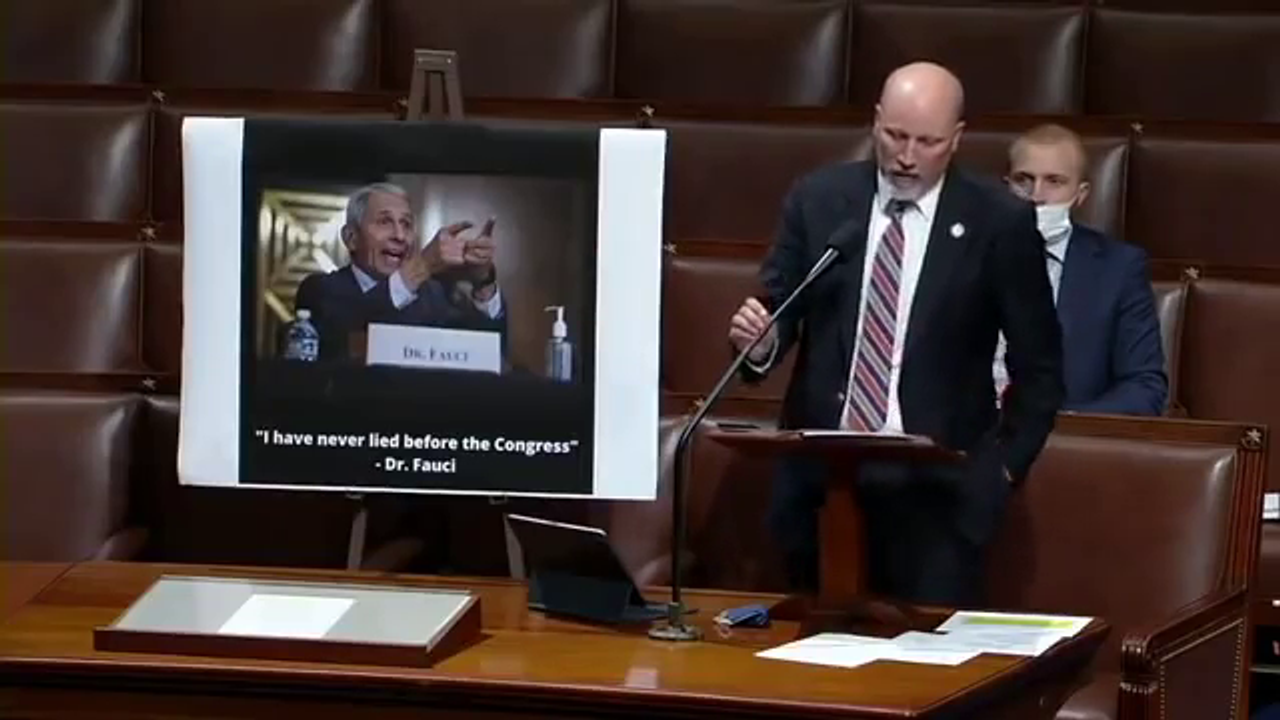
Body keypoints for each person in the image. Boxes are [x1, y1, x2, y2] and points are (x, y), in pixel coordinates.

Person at [727, 62, 1064, 607]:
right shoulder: (821, 199)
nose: (907, 156)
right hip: (822, 488)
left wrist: (1000, 471)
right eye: (895, 135)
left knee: (921, 657)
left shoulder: (997, 221)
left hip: (938, 499)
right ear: (876, 121)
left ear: (956, 139)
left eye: (927, 142)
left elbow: (1041, 368)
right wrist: (762, 344)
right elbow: (779, 307)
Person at [995, 123, 1167, 415]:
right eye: (1024, 180)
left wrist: (1071, 425)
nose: (1036, 196)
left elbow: (1144, 387)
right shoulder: (962, 253)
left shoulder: (1118, 269)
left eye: (1054, 181)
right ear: (1006, 186)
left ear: (1080, 194)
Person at [294, 182, 507, 361]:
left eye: (406, 224)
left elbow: (489, 351)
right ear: (351, 238)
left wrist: (483, 283)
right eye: (385, 222)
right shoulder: (320, 290)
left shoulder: (433, 295)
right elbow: (350, 332)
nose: (400, 236)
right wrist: (422, 266)